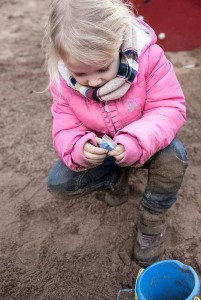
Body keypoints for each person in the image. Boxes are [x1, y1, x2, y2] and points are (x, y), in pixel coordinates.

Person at [45, 0, 188, 266]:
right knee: (60, 183)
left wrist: (135, 139)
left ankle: (152, 221)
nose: (95, 81)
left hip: (146, 141)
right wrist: (79, 146)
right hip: (104, 149)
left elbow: (169, 107)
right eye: (81, 73)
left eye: (102, 69)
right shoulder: (63, 81)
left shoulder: (149, 58)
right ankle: (117, 178)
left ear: (119, 43)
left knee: (174, 158)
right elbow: (64, 123)